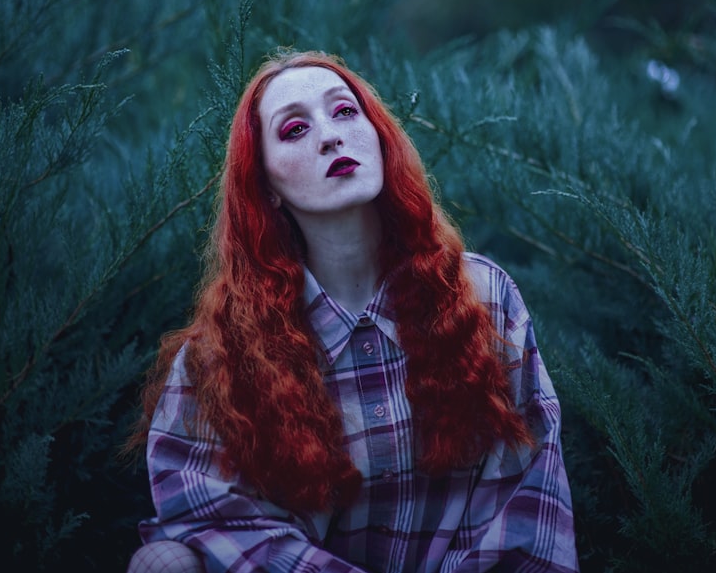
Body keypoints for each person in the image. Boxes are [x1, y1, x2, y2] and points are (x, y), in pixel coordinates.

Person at [126, 50, 578, 573]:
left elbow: (526, 494)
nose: (330, 136)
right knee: (161, 563)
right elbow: (209, 516)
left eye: (344, 112)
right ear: (267, 186)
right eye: (294, 129)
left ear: (379, 138)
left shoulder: (482, 295)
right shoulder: (224, 351)